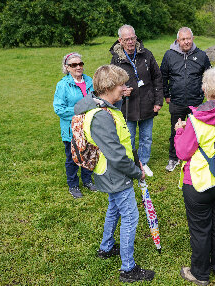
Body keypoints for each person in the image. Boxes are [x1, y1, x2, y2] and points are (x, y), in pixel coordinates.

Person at [74, 65, 155, 283]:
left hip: (112, 171)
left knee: (114, 209)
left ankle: (106, 247)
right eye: (122, 84)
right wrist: (137, 172)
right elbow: (117, 155)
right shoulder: (101, 116)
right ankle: (128, 269)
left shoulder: (106, 107)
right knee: (130, 216)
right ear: (109, 86)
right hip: (115, 173)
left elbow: (122, 143)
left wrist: (135, 158)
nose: (125, 88)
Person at [174, 66, 215, 285]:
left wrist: (180, 131)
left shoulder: (195, 119)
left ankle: (200, 273)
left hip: (199, 182)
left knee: (201, 229)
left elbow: (183, 152)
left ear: (204, 88)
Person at [109, 24, 163, 177]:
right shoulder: (116, 60)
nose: (131, 42)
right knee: (128, 138)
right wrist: (120, 91)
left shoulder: (147, 55)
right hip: (127, 106)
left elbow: (157, 77)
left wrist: (158, 101)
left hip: (147, 103)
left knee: (146, 137)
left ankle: (143, 162)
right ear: (120, 40)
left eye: (133, 38)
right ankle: (131, 165)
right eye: (127, 39)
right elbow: (111, 84)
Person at [160, 27, 211, 172]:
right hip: (176, 101)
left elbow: (208, 76)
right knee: (175, 130)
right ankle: (173, 157)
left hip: (196, 102)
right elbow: (163, 76)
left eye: (188, 38)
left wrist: (205, 94)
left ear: (192, 38)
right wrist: (167, 95)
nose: (186, 42)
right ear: (178, 41)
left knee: (195, 129)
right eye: (183, 39)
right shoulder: (169, 55)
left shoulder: (201, 55)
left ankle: (194, 156)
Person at [53, 52, 97, 199]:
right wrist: (80, 111)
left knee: (89, 154)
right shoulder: (63, 85)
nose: (78, 67)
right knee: (72, 158)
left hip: (89, 126)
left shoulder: (90, 80)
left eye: (80, 64)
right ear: (67, 68)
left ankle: (87, 180)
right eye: (74, 65)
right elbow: (59, 109)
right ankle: (73, 185)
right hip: (72, 129)